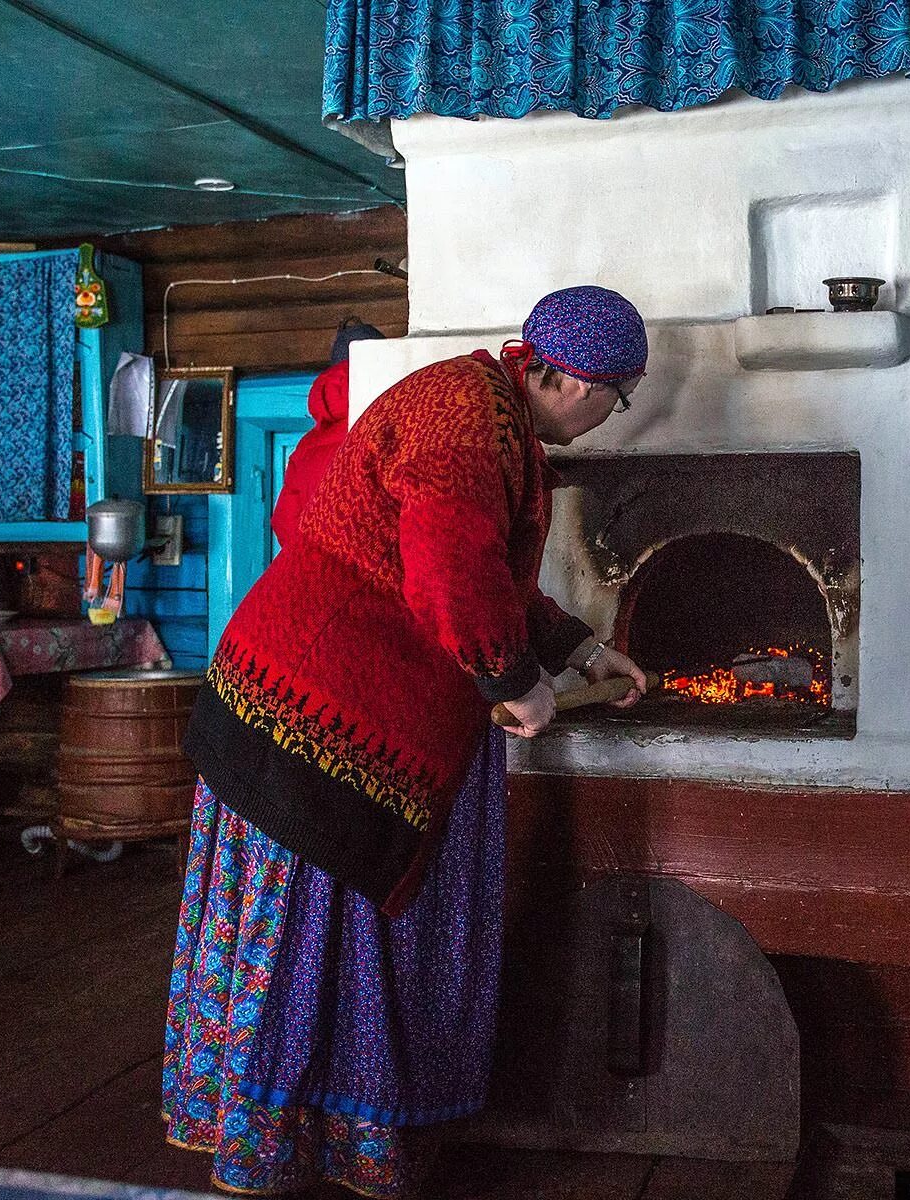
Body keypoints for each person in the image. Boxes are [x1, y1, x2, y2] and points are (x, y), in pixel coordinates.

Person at [163, 285, 652, 1198]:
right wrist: (516, 683)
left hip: (328, 706)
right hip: (313, 717)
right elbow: (449, 569)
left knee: (342, 934)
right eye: (618, 398)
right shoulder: (467, 418)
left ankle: (337, 1136)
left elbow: (484, 571)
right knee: (313, 930)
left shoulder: (485, 410)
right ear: (581, 383)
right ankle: (282, 1141)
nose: (610, 416)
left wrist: (582, 649)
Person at [269, 317, 384, 551]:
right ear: (385, 359)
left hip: (336, 576)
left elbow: (285, 524)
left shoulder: (307, 448)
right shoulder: (405, 417)